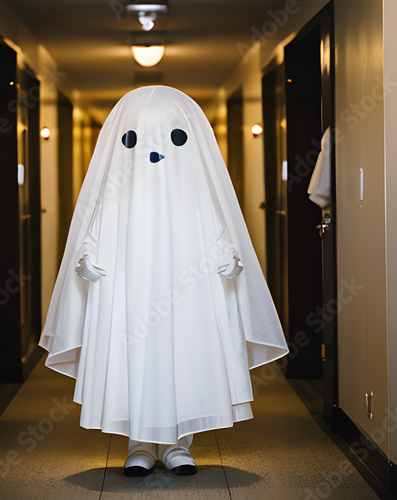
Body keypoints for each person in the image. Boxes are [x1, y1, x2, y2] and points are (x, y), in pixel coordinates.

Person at [39, 86, 289, 476]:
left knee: (185, 350)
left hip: (187, 286)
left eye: (173, 138)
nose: (154, 151)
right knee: (133, 354)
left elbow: (219, 223)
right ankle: (138, 443)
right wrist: (86, 255)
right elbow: (95, 221)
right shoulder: (115, 187)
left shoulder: (196, 185)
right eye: (135, 139)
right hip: (128, 288)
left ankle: (178, 443)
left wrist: (229, 255)